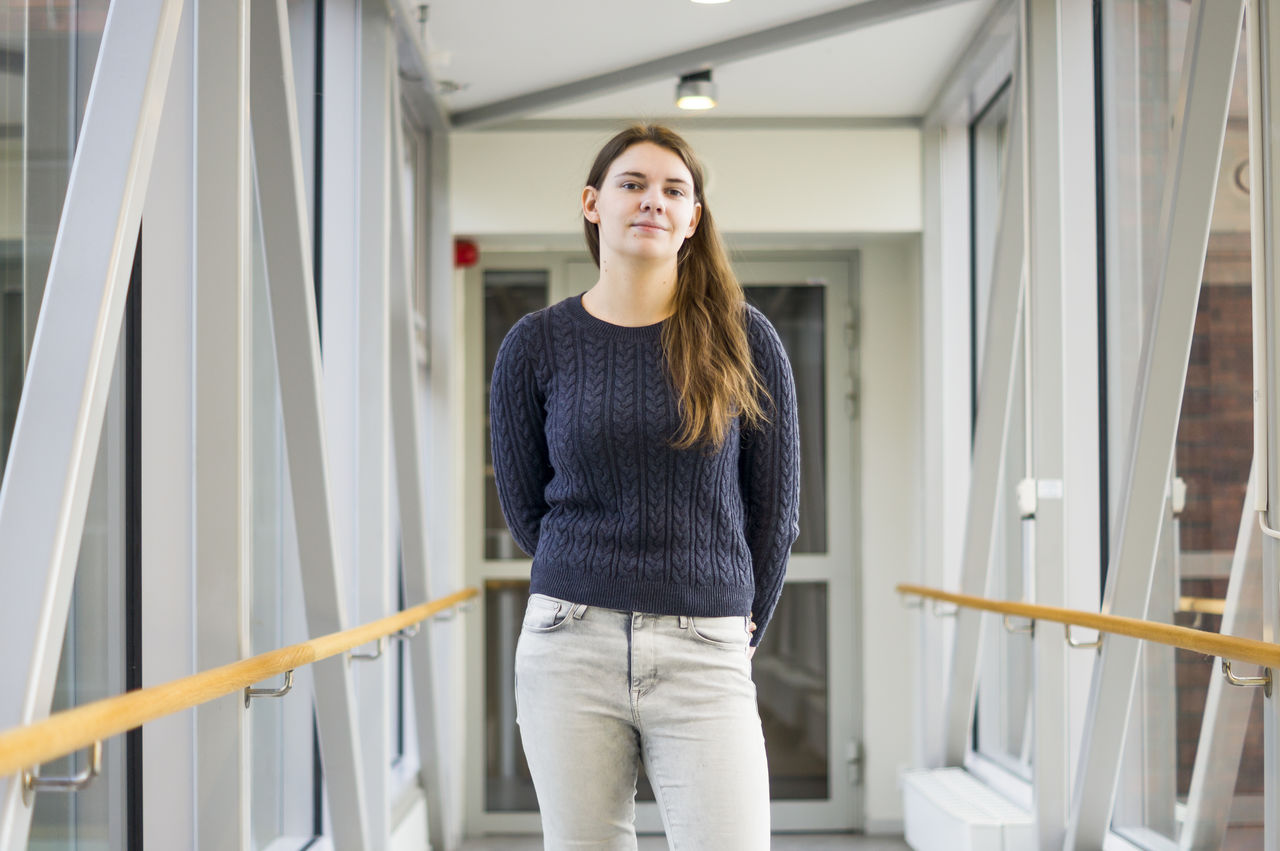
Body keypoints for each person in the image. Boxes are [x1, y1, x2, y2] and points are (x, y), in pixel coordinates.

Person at [489, 124, 800, 849]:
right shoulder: (534, 345)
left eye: (673, 190)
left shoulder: (745, 340)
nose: (652, 201)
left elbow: (775, 510)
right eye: (633, 184)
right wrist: (594, 573)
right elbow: (526, 504)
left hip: (705, 645)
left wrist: (738, 622)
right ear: (593, 203)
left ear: (693, 219)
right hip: (569, 644)